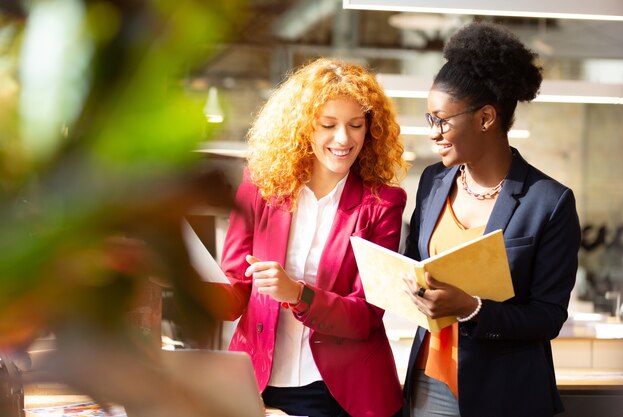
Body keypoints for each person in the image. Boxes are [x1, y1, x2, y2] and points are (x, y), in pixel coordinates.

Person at [401, 22, 581, 417]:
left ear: (486, 118)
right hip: (428, 382)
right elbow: (414, 264)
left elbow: (547, 317)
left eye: (441, 119)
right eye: (430, 119)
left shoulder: (549, 202)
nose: (434, 133)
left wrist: (471, 308)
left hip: (503, 394)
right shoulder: (433, 181)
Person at [215, 58, 407, 417]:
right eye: (328, 125)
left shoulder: (382, 204)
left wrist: (297, 294)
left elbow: (366, 315)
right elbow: (234, 292)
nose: (343, 139)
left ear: (370, 130)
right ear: (305, 128)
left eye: (355, 125)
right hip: (257, 384)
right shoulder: (260, 186)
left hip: (339, 393)